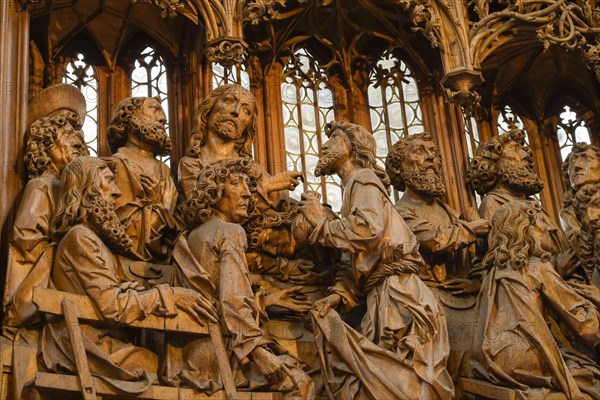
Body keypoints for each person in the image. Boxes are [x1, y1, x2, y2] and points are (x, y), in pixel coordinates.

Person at [296, 120, 454, 399]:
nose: (324, 145)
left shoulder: (363, 179)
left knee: (405, 383)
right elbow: (357, 257)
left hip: (400, 295)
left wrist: (320, 224)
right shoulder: (354, 189)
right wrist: (336, 297)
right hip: (387, 294)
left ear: (352, 148)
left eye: (333, 139)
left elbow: (368, 231)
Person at [40, 156, 217, 394]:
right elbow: (113, 305)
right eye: (108, 182)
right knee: (168, 369)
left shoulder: (91, 239)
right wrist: (172, 296)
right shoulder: (80, 239)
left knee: (176, 366)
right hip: (84, 344)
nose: (115, 193)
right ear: (87, 188)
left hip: (98, 339)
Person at [165, 158, 315, 399]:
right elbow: (233, 301)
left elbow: (211, 299)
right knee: (299, 383)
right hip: (222, 356)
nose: (248, 194)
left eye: (249, 186)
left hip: (188, 357)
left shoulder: (190, 236)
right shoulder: (231, 232)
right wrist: (258, 352)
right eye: (238, 184)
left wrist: (265, 302)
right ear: (215, 192)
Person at [471, 200, 600, 399]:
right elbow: (586, 326)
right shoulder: (537, 267)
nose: (542, 233)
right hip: (528, 359)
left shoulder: (491, 272)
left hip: (494, 360)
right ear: (525, 231)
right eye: (536, 226)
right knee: (590, 373)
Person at [3, 84, 88, 326]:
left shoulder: (72, 190)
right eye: (68, 136)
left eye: (78, 137)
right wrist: (67, 245)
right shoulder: (41, 186)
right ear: (46, 145)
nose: (77, 142)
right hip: (45, 287)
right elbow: (25, 240)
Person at [385, 133, 489, 287]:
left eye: (433, 152)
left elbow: (473, 257)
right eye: (419, 151)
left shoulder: (449, 212)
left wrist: (475, 281)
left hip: (459, 291)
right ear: (397, 167)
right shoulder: (399, 213)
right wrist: (472, 228)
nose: (430, 157)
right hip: (425, 293)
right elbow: (434, 241)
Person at [179, 84, 301, 210]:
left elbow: (283, 204)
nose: (236, 111)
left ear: (247, 127)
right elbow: (203, 211)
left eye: (246, 111)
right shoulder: (192, 164)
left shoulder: (253, 169)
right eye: (229, 101)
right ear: (209, 109)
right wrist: (268, 186)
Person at [107, 96, 178, 262]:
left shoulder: (165, 170)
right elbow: (116, 228)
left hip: (164, 262)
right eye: (154, 109)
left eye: (163, 113)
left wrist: (165, 211)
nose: (163, 119)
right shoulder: (116, 164)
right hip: (126, 261)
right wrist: (162, 208)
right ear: (130, 117)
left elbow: (176, 233)